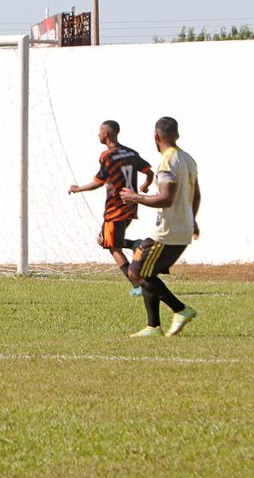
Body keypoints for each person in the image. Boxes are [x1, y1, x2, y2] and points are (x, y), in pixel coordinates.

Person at [120, 116, 200, 338]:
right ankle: (153, 326)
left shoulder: (167, 162)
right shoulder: (188, 159)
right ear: (177, 135)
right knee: (149, 272)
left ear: (156, 136)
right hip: (181, 229)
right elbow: (197, 194)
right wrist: (192, 220)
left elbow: (166, 198)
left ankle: (180, 309)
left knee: (135, 272)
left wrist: (135, 197)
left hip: (166, 231)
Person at [69, 120, 154, 296]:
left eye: (99, 132)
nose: (98, 135)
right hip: (131, 206)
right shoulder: (131, 152)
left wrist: (78, 189)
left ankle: (136, 283)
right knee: (105, 239)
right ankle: (134, 244)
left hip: (115, 207)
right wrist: (145, 185)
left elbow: (98, 183)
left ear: (106, 134)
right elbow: (149, 172)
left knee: (111, 246)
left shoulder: (107, 156)